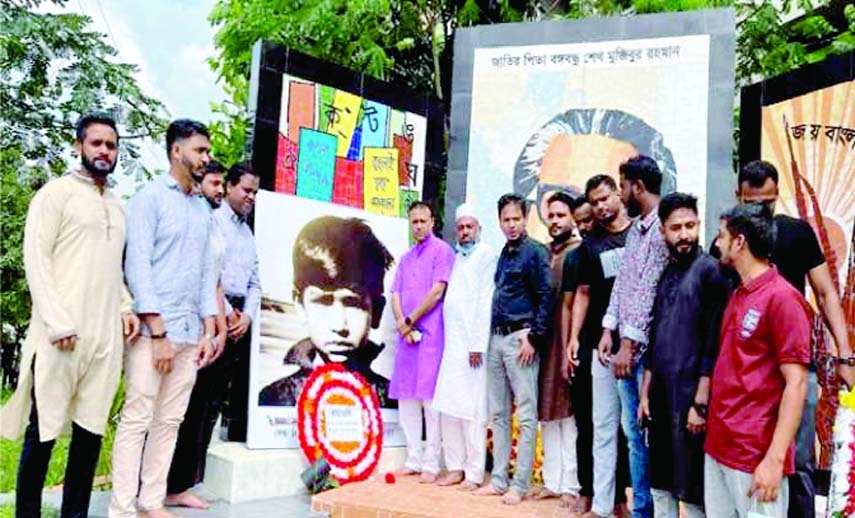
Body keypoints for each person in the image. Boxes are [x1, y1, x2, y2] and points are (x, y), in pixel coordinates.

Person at [0, 113, 140, 518]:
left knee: (89, 433)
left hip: (103, 339)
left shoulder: (117, 206)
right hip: (61, 334)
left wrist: (125, 307)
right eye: (96, 143)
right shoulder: (55, 195)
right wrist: (58, 321)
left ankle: (74, 515)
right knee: (42, 432)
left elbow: (112, 269)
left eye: (111, 145)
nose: (104, 151)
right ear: (78, 146)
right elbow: (36, 260)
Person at [733, 160, 854, 516]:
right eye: (752, 204)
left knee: (799, 463)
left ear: (777, 196)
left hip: (795, 366)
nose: (760, 212)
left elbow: (826, 292)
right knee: (745, 458)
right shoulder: (729, 241)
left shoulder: (797, 233)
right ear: (739, 196)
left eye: (767, 204)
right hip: (746, 371)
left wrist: (845, 356)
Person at [110, 119, 218, 518]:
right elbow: (137, 266)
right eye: (200, 150)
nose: (206, 157)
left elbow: (207, 274)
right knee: (137, 418)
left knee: (169, 421)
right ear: (177, 151)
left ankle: (151, 501)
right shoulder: (149, 199)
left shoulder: (201, 208)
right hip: (153, 334)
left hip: (191, 335)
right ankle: (121, 509)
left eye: (207, 151)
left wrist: (209, 329)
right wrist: (158, 332)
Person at [705, 203, 811, 517]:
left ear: (740, 242)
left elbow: (797, 382)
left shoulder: (783, 298)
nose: (717, 244)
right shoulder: (739, 293)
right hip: (720, 447)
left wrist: (774, 460)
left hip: (755, 455)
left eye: (722, 236)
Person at [638, 193, 729, 517]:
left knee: (692, 484)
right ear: (663, 231)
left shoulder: (711, 272)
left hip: (692, 398)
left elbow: (712, 342)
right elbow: (656, 335)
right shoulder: (666, 274)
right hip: (662, 395)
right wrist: (645, 393)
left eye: (690, 226)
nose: (684, 234)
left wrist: (700, 404)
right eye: (675, 228)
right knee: (661, 478)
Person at [258, 215, 396, 407]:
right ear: (299, 304)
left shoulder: (391, 401)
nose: (339, 325)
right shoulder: (276, 398)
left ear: (377, 311)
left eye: (353, 303)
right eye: (323, 302)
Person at [473, 193, 553, 505]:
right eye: (506, 220)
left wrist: (534, 337)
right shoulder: (504, 253)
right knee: (499, 413)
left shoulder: (535, 252)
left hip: (521, 338)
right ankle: (498, 480)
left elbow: (547, 295)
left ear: (525, 218)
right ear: (499, 222)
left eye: (516, 219)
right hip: (495, 338)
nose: (511, 225)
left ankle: (519, 485)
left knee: (527, 413)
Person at [165, 161, 230, 510]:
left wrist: (218, 329)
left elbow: (214, 282)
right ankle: (159, 486)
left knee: (200, 413)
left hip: (207, 330)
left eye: (222, 184)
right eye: (215, 184)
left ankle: (180, 485)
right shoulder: (191, 219)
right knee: (177, 411)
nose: (219, 190)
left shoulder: (213, 223)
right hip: (179, 328)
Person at [567, 175, 633, 518]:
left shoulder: (640, 234)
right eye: (595, 202)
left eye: (605, 198)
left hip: (638, 346)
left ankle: (635, 503)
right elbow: (583, 293)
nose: (601, 206)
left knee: (634, 430)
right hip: (601, 347)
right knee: (602, 426)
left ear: (619, 194)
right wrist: (575, 337)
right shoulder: (590, 246)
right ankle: (603, 504)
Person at [432, 203, 497, 490]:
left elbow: (485, 301)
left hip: (472, 348)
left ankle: (473, 473)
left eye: (470, 226)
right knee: (448, 407)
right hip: (452, 346)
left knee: (472, 411)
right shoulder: (456, 257)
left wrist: (476, 344)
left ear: (479, 228)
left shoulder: (486, 256)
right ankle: (455, 467)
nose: (465, 231)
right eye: (460, 227)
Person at [390, 201, 456, 483]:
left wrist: (411, 320)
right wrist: (402, 322)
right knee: (407, 399)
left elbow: (438, 292)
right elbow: (395, 293)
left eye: (422, 221)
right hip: (407, 336)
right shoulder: (405, 258)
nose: (418, 226)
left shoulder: (442, 251)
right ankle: (413, 459)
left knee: (429, 401)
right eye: (413, 221)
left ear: (432, 222)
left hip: (430, 334)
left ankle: (431, 463)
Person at [533, 191, 583, 510]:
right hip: (543, 341)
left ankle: (571, 484)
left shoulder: (577, 253)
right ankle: (552, 482)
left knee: (568, 415)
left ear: (573, 218)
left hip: (567, 341)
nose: (554, 221)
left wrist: (571, 343)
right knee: (548, 412)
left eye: (560, 215)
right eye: (550, 216)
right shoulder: (542, 253)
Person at [214, 162, 262, 443]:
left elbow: (255, 281)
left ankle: (194, 477)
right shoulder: (213, 221)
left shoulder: (247, 234)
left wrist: (247, 317)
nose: (250, 197)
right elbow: (209, 273)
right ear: (229, 186)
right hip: (214, 316)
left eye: (254, 192)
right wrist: (228, 313)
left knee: (217, 399)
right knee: (197, 396)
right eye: (246, 190)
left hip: (238, 322)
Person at [561, 195, 599, 512]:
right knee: (585, 424)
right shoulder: (575, 258)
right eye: (581, 221)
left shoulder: (619, 248)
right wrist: (566, 348)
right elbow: (569, 306)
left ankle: (613, 496)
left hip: (616, 351)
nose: (586, 226)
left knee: (616, 430)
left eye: (590, 219)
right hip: (584, 351)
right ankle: (586, 490)